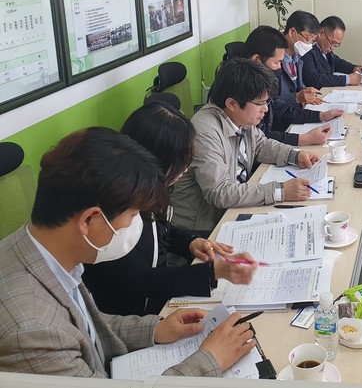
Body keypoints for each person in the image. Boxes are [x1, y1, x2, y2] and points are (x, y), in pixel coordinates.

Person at [0, 128, 255, 377]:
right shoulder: (32, 330)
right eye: (133, 216)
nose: (134, 225)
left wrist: (155, 329)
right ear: (89, 220)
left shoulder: (44, 250)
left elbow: (88, 326)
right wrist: (209, 361)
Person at [83, 102, 257, 316]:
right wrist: (213, 272)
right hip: (136, 318)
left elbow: (163, 230)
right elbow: (140, 281)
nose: (185, 170)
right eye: (180, 163)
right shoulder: (113, 213)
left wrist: (190, 242)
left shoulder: (151, 191)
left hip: (161, 300)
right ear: (152, 159)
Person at [170, 58, 318, 233]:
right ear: (231, 103)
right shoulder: (204, 132)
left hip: (231, 211)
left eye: (266, 102)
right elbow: (219, 193)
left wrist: (294, 155)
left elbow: (261, 145)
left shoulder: (239, 117)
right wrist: (281, 191)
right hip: (203, 229)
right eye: (260, 103)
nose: (266, 109)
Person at [244, 25, 343, 146]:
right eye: (277, 63)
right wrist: (305, 139)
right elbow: (259, 137)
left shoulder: (261, 84)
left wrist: (321, 116)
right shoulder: (244, 91)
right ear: (256, 60)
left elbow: (280, 108)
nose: (280, 68)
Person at [301, 15, 362, 88]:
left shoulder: (325, 49)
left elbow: (337, 63)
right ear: (321, 32)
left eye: (336, 44)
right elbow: (313, 79)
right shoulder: (307, 49)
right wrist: (347, 79)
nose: (333, 48)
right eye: (332, 43)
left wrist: (354, 68)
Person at [279, 10, 323, 105]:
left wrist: (305, 93)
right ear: (292, 32)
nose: (309, 45)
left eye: (312, 41)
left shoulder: (297, 57)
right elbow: (268, 101)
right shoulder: (274, 59)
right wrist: (296, 97)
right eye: (308, 38)